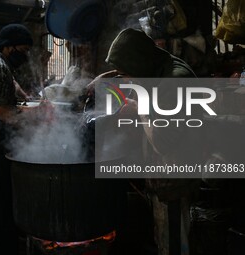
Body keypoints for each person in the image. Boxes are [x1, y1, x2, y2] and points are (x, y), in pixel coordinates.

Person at [86, 28, 204, 255]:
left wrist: (139, 108)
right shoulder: (157, 62)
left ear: (138, 62)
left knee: (173, 244)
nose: (125, 79)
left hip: (175, 180)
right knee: (165, 239)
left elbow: (163, 141)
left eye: (125, 73)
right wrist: (104, 78)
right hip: (162, 176)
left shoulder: (175, 82)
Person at [0, 23, 53, 255]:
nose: (25, 55)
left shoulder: (0, 64)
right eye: (23, 50)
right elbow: (2, 112)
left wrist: (24, 96)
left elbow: (10, 84)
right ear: (8, 47)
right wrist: (38, 113)